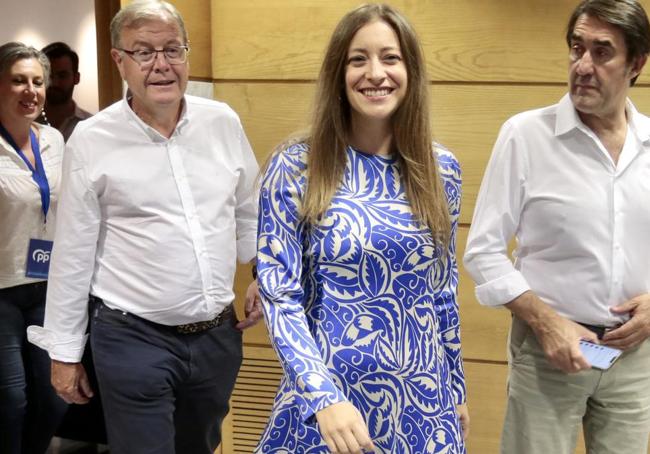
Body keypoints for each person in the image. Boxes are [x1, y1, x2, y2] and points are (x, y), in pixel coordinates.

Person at [27, 1, 262, 453]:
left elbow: (249, 209)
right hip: (132, 337)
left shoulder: (222, 122)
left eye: (173, 49)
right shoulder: (93, 140)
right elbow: (72, 251)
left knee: (200, 446)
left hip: (216, 337)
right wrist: (64, 352)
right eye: (144, 52)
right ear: (119, 60)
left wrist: (261, 272)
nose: (161, 65)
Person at [255, 4, 468, 453]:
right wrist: (322, 396)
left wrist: (457, 389)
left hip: (424, 405)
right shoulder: (296, 166)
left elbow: (442, 291)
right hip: (329, 406)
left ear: (410, 69)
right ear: (339, 71)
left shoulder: (441, 169)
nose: (376, 73)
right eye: (358, 59)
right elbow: (280, 296)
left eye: (390, 58)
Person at [463, 0, 650, 453]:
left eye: (602, 52)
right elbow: (483, 250)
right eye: (576, 48)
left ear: (636, 65)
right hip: (549, 354)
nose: (583, 66)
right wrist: (547, 324)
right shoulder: (525, 135)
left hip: (635, 357)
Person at [0, 42, 67, 454]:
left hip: (48, 286)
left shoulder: (55, 141)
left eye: (37, 82)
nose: (30, 90)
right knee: (11, 400)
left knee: (55, 395)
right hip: (2, 291)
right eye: (18, 80)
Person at [40, 42, 91, 141]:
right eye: (48, 75)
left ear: (76, 78)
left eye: (62, 76)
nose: (54, 83)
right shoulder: (26, 123)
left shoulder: (91, 124)